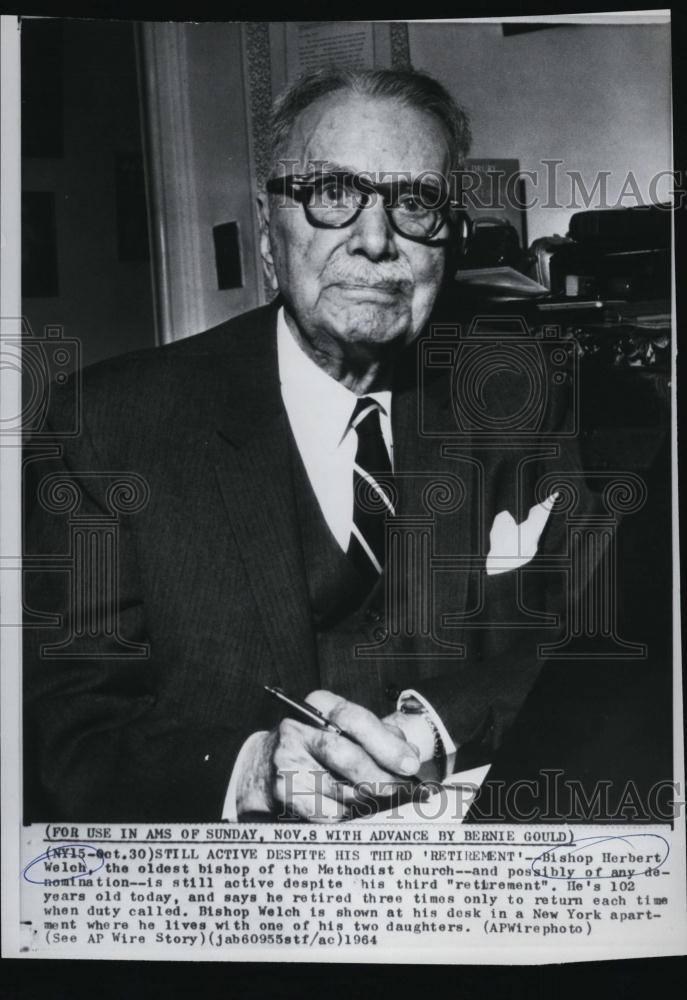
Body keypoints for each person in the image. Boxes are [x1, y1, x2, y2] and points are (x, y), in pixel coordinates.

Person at [23, 67, 592, 823]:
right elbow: (68, 731)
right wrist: (249, 773)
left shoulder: (516, 396)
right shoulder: (107, 426)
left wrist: (433, 726)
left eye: (415, 203)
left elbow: (600, 640)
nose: (375, 241)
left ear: (449, 239)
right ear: (268, 231)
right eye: (331, 194)